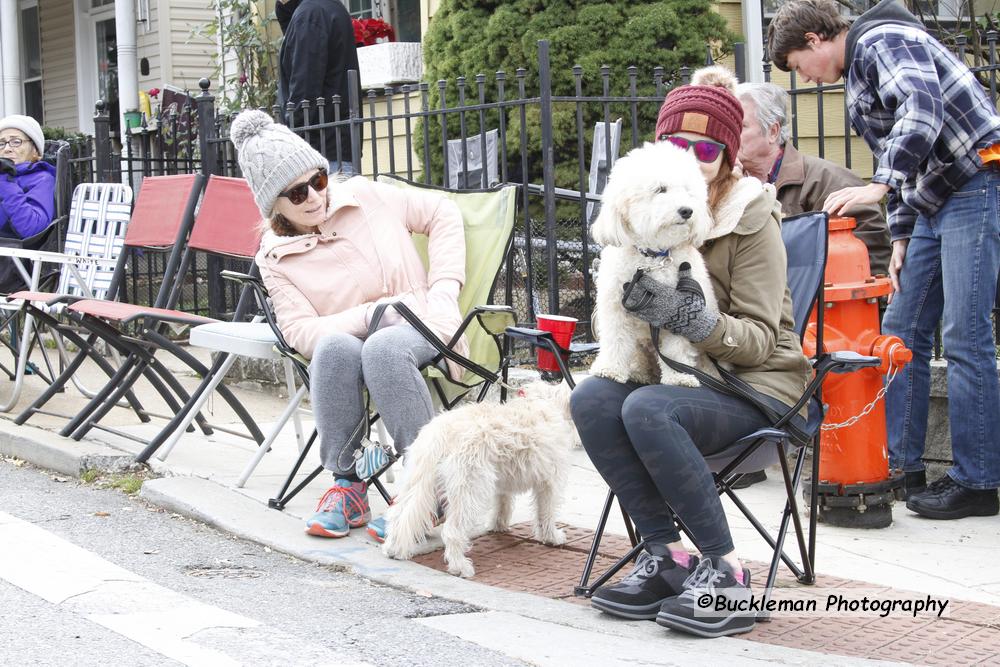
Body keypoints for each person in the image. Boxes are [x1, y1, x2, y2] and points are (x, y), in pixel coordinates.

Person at [571, 66, 811, 638]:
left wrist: (690, 317)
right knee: (594, 401)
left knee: (648, 408)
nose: (693, 157)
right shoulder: (642, 217)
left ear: (728, 157)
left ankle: (725, 570)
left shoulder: (751, 216)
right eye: (679, 143)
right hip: (673, 380)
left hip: (754, 388)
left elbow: (762, 341)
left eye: (708, 148)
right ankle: (667, 556)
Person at [768, 0, 1000, 519]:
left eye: (798, 68)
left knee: (965, 334)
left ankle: (979, 481)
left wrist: (879, 186)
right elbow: (903, 152)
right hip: (935, 203)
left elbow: (922, 107)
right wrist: (900, 236)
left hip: (978, 184)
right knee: (900, 329)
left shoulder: (881, 39)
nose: (804, 81)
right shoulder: (857, 74)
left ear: (813, 40)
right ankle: (901, 463)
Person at [230, 109, 466, 540]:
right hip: (357, 338)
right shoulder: (274, 256)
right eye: (297, 194)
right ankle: (349, 485)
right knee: (334, 348)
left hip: (420, 322)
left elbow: (442, 213)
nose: (315, 197)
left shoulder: (365, 195)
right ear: (275, 207)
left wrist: (444, 290)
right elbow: (300, 332)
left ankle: (427, 488)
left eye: (318, 180)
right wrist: (370, 316)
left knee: (383, 348)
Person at [731, 80, 891, 489]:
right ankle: (738, 452)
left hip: (813, 321)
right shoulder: (725, 186)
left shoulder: (827, 181)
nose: (728, 135)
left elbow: (873, 253)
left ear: (773, 130)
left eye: (740, 125)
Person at [276, 0, 361, 174]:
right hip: (335, 146)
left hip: (320, 154)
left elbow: (304, 90)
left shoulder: (310, 15)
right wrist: (283, 7)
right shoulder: (326, 7)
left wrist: (290, 142)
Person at [0, 114, 56, 293]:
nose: (7, 149)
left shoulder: (42, 179)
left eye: (15, 142)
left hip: (16, 266)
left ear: (36, 152)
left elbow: (31, 228)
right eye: (2, 143)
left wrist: (6, 182)